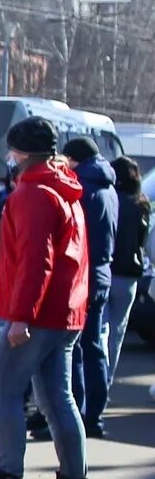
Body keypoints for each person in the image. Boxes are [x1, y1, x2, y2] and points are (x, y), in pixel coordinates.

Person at [0, 118, 94, 479]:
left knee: (1, 390)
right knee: (57, 399)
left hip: (36, 314)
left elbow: (37, 261)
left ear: (18, 151)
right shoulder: (65, 188)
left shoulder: (32, 194)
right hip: (65, 312)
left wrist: (21, 316)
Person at [60, 138, 119, 439]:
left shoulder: (83, 189)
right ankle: (95, 413)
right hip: (103, 273)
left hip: (83, 276)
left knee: (75, 350)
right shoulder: (109, 188)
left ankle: (80, 413)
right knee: (95, 347)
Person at [109, 157, 149, 403]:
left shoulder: (111, 200)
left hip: (107, 270)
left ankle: (93, 386)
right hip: (130, 275)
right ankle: (105, 385)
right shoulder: (141, 204)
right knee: (117, 333)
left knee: (98, 332)